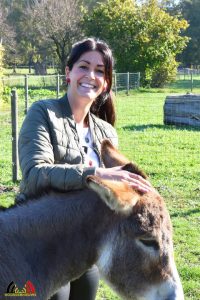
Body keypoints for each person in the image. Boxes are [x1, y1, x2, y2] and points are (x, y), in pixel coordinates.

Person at [18, 37, 153, 300]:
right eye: (83, 66)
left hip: (83, 247)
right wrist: (96, 174)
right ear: (68, 73)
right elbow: (35, 176)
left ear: (106, 83)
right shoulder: (43, 113)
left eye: (100, 70)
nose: (90, 75)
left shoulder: (106, 133)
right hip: (38, 243)